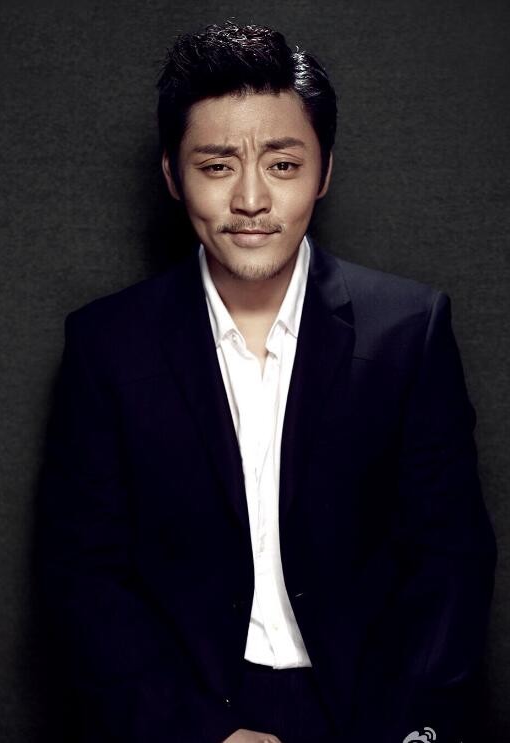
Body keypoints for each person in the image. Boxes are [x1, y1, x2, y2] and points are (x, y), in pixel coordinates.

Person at [38, 20, 497, 743]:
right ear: (172, 176)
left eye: (282, 164)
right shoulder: (106, 344)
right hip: (188, 710)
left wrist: (405, 728)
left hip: (371, 710)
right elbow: (82, 575)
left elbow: (449, 561)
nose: (251, 199)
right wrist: (195, 733)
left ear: (324, 171)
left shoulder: (410, 329)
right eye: (217, 165)